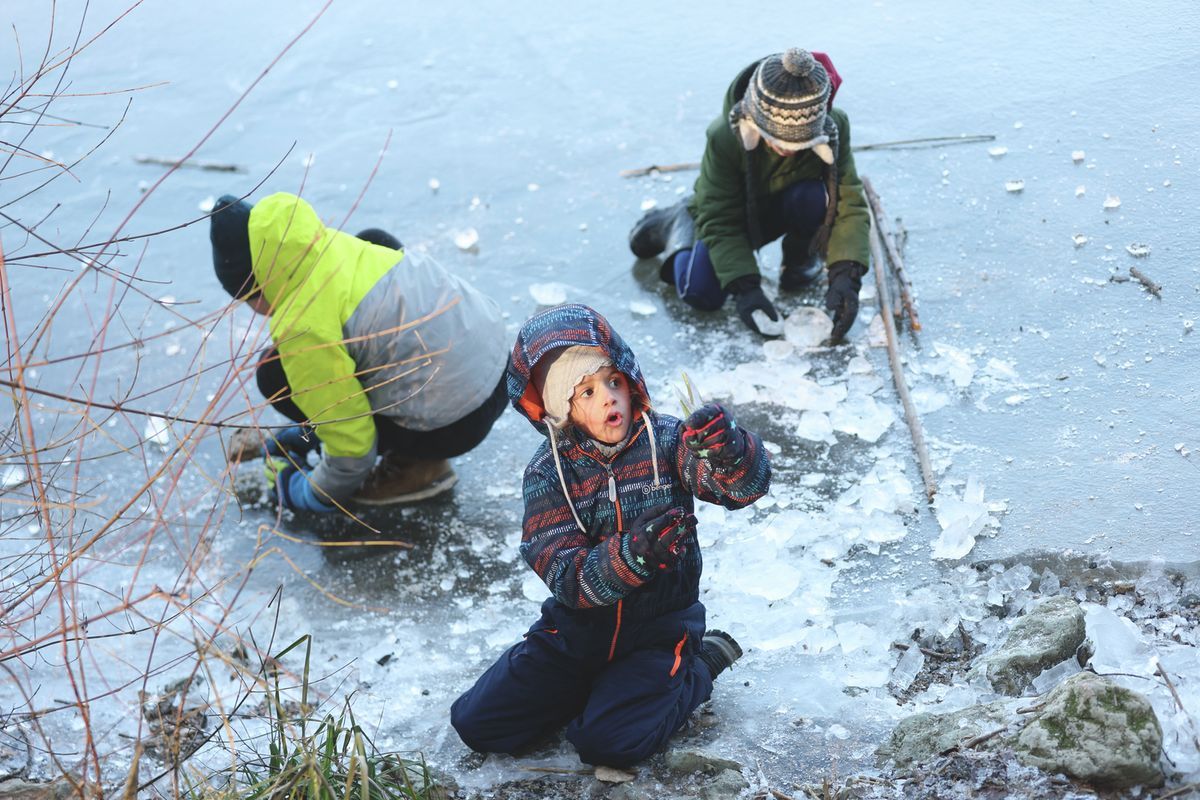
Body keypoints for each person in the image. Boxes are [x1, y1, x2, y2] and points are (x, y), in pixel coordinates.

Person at [450, 303, 772, 767]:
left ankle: (699, 667)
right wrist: (632, 557)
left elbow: (741, 489)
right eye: (586, 391)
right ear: (562, 409)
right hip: (574, 635)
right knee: (477, 724)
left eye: (613, 381)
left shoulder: (668, 443)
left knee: (610, 744)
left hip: (658, 632)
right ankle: (590, 689)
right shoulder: (547, 473)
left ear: (630, 380)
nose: (608, 398)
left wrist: (731, 451)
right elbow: (564, 574)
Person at [210, 191, 509, 511]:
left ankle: (418, 466)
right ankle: (408, 444)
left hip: (455, 423)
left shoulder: (302, 327)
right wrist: (310, 433)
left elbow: (352, 448)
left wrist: (307, 493)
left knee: (274, 373)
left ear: (255, 285)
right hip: (503, 369)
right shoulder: (345, 246)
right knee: (375, 245)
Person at [628, 48, 870, 340]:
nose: (788, 150)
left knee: (812, 196)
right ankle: (676, 220)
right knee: (700, 294)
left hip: (783, 205)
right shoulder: (724, 136)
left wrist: (847, 273)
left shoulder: (834, 128)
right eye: (777, 140)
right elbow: (719, 217)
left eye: (801, 142)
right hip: (733, 212)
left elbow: (848, 201)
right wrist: (745, 287)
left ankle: (800, 263)